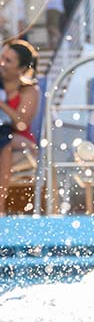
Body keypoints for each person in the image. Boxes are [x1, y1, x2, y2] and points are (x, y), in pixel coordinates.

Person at [0, 40, 40, 215]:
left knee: (5, 142)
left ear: (21, 68)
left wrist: (2, 104)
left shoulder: (29, 91)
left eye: (8, 61)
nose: (2, 63)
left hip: (19, 138)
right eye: (2, 57)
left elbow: (21, 123)